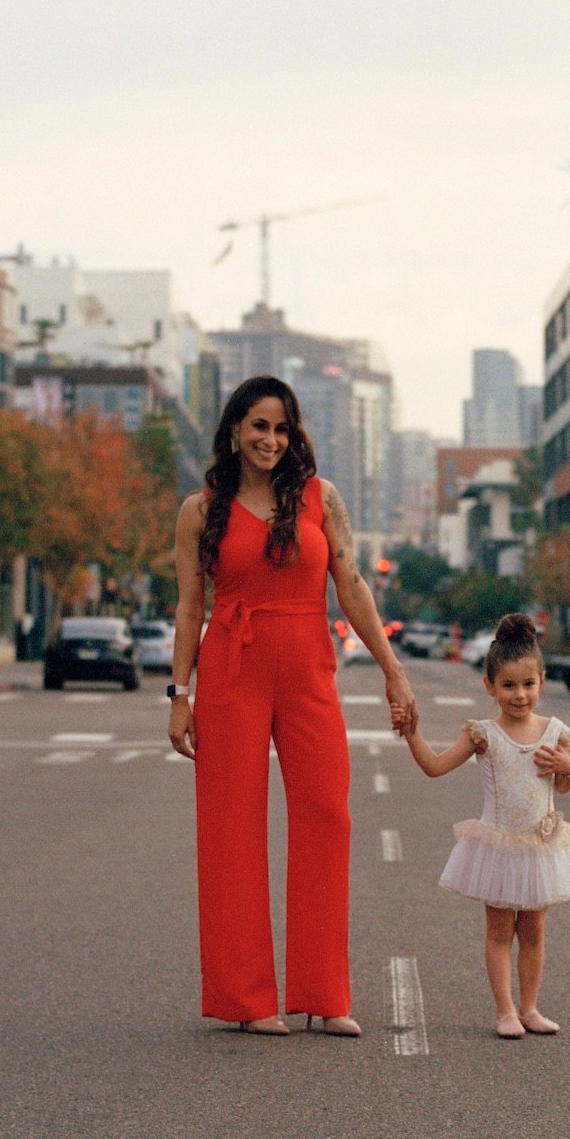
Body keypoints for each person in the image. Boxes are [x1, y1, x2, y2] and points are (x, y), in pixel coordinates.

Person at [168, 375, 418, 1037]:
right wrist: (179, 695)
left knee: (326, 816)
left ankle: (324, 993)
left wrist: (394, 672)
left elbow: (353, 585)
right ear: (233, 430)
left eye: (281, 428)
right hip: (230, 670)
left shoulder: (319, 498)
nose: (270, 440)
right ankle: (245, 999)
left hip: (309, 669)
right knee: (231, 829)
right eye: (258, 426)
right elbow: (191, 607)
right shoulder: (201, 509)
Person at [393, 612, 570, 1038]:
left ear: (541, 681)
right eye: (508, 686)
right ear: (490, 686)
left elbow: (564, 786)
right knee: (500, 931)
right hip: (499, 846)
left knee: (534, 931)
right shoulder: (482, 734)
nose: (519, 696)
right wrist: (412, 734)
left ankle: (530, 1007)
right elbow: (434, 766)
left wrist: (569, 766)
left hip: (539, 846)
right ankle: (505, 1011)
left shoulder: (554, 732)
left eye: (528, 685)